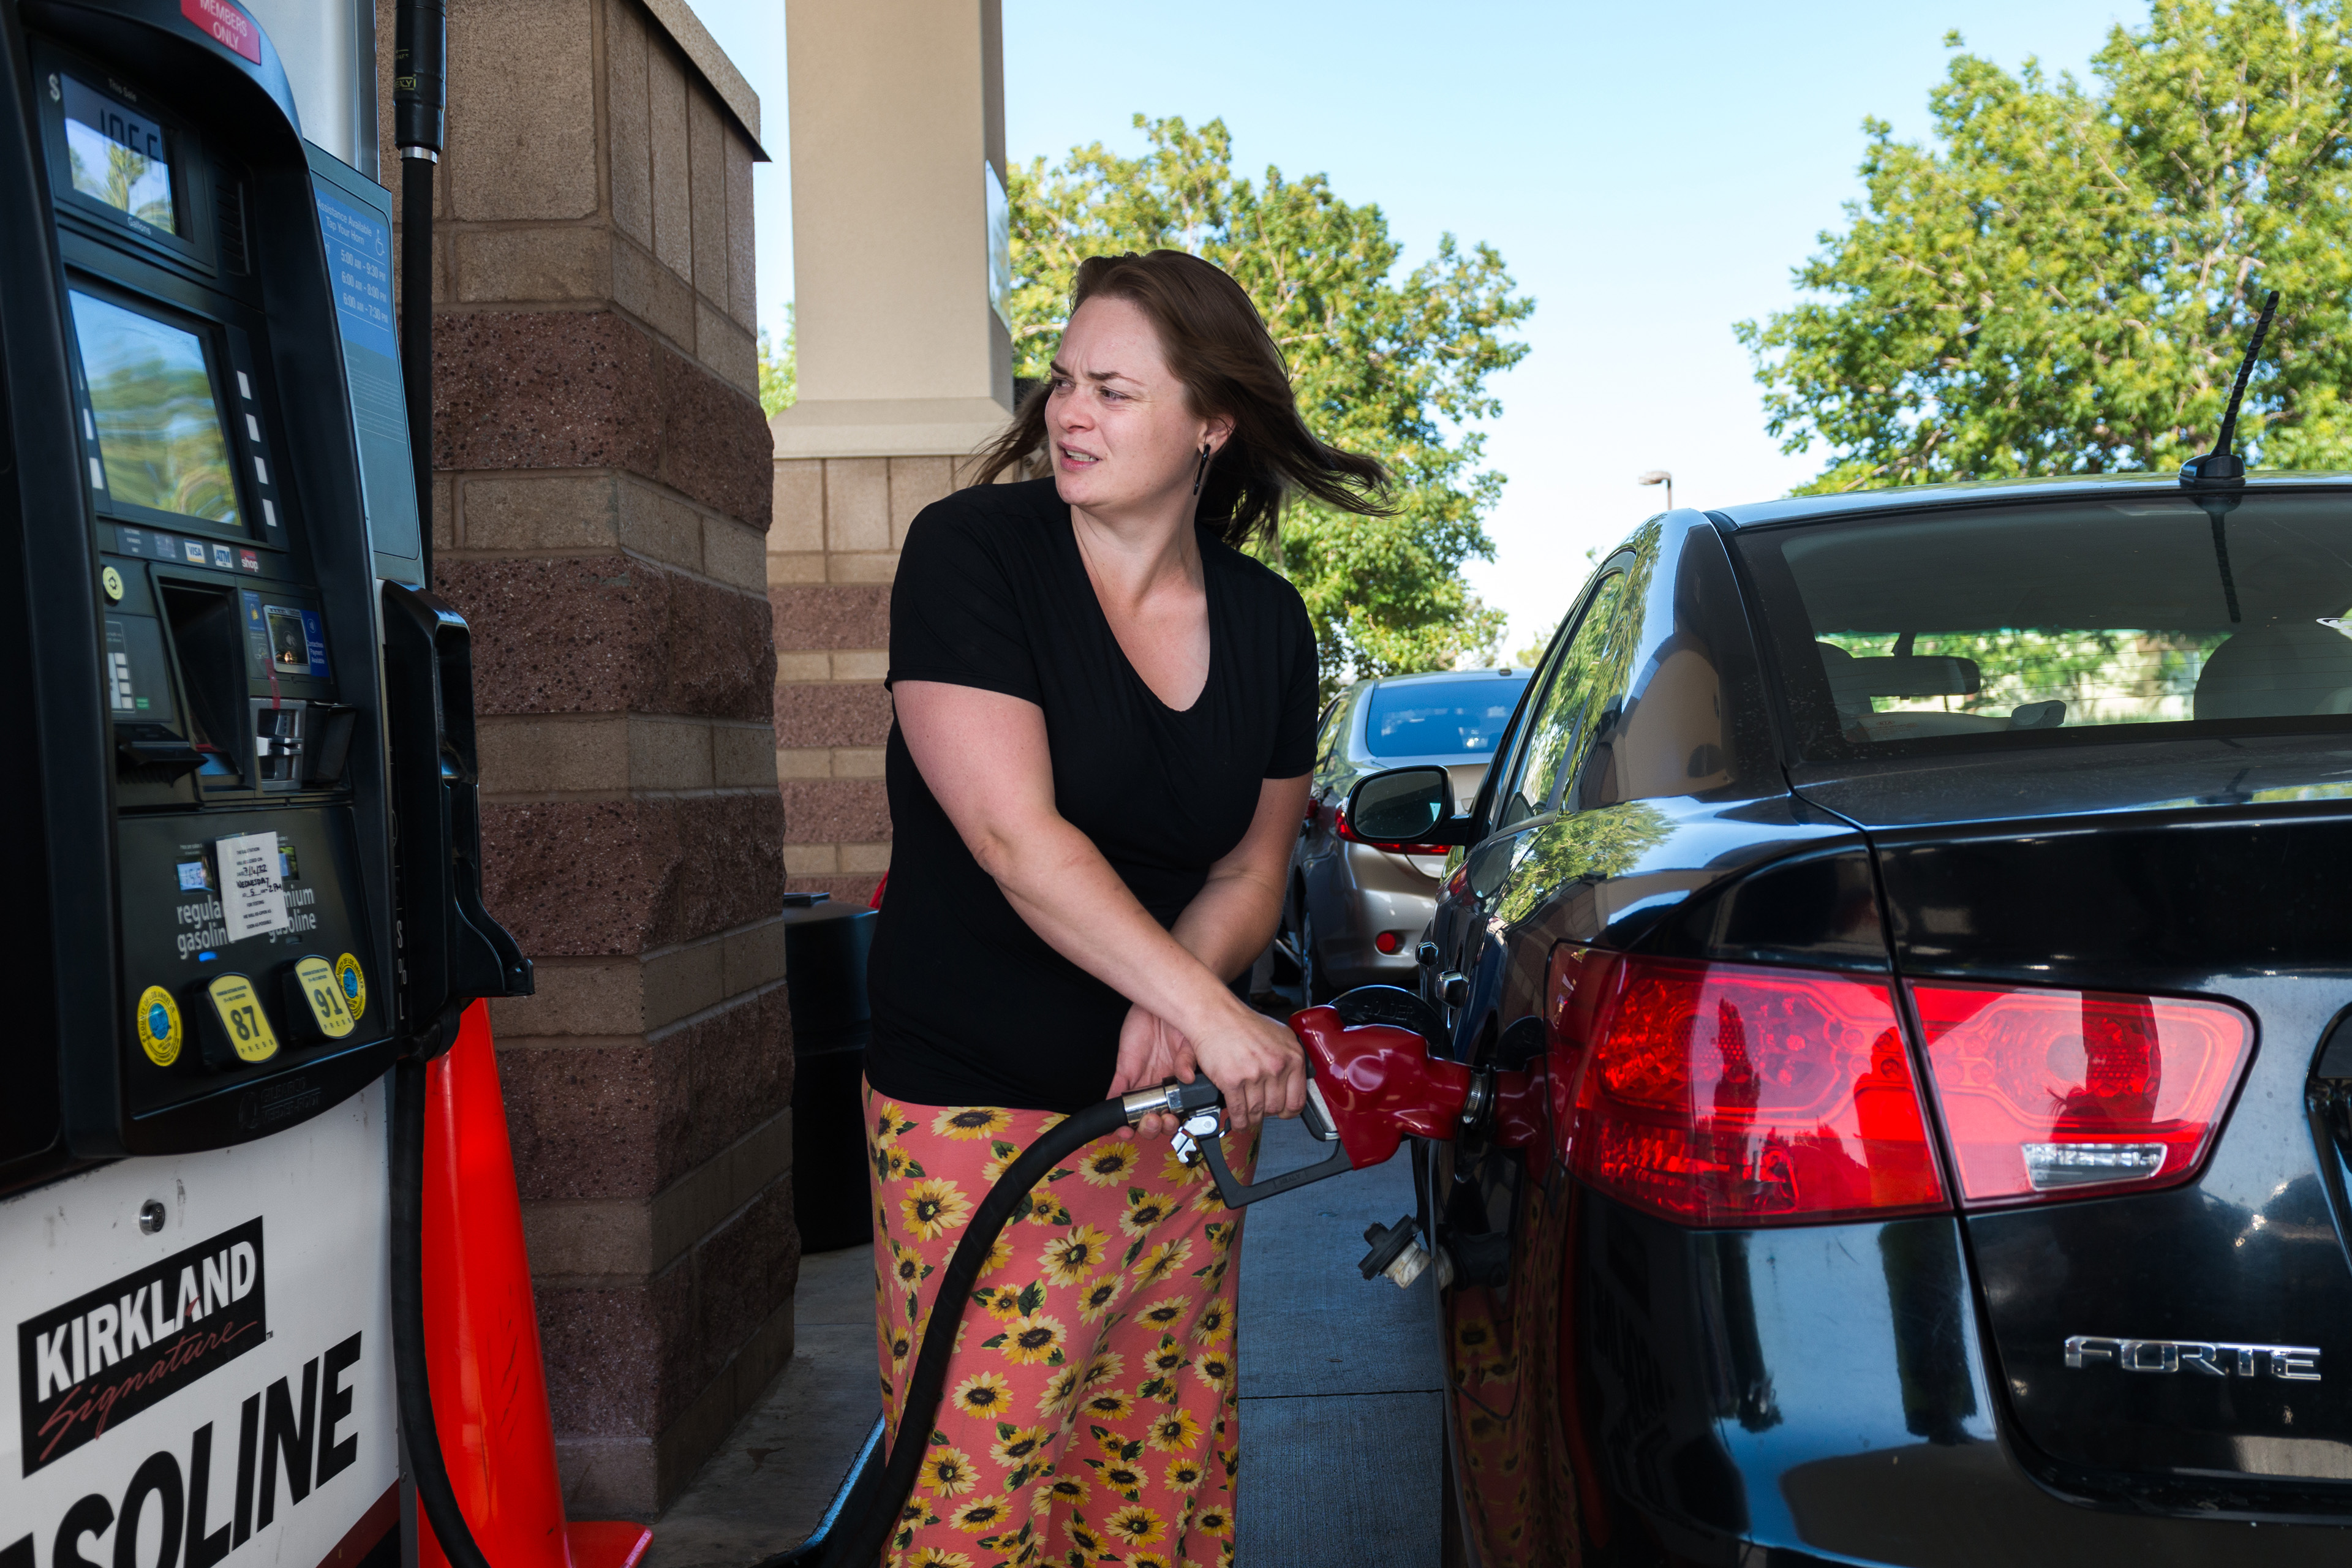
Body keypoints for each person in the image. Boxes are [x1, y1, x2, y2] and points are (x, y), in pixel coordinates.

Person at [862, 248, 1392, 1567]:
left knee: (1161, 1465)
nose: (1068, 413)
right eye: (1061, 383)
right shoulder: (973, 553)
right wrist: (1203, 1006)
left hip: (1170, 1119)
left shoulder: (1269, 623)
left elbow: (1251, 868)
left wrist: (1183, 1002)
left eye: (1111, 388)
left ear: (1211, 423)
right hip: (980, 1108)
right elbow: (1012, 834)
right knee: (973, 1493)